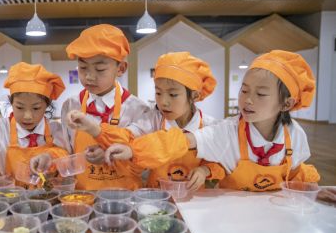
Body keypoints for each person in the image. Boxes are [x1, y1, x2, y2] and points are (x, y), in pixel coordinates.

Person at [107, 50, 320, 192]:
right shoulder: (226, 132)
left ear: (286, 104)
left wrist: (315, 191)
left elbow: (296, 174)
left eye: (261, 94)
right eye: (244, 90)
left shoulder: (295, 136)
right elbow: (181, 141)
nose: (248, 100)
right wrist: (134, 151)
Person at [68, 52, 225, 191]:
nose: (163, 102)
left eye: (173, 94)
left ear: (195, 96)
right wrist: (94, 129)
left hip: (194, 199)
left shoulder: (209, 126)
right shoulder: (153, 119)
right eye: (158, 92)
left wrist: (205, 170)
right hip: (156, 198)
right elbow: (128, 135)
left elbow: (222, 161)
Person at [62, 24, 150, 190]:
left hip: (125, 199)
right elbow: (68, 153)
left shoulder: (139, 109)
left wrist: (115, 153)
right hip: (83, 197)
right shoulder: (71, 106)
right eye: (82, 68)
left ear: (121, 69)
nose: (89, 76)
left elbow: (145, 161)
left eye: (100, 69)